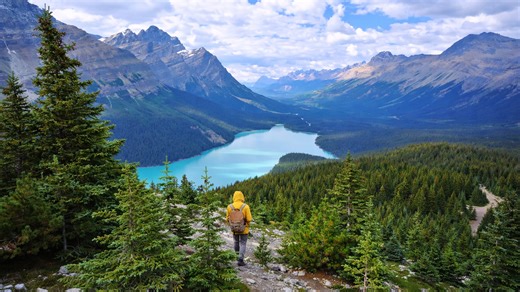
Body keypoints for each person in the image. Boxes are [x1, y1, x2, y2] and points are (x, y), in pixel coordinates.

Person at [226, 191, 253, 266]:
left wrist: (233, 223)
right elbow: (249, 219)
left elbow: (227, 218)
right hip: (244, 229)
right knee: (243, 243)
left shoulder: (229, 206)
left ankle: (237, 256)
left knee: (236, 242)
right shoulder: (245, 206)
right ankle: (240, 260)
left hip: (234, 228)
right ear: (242, 197)